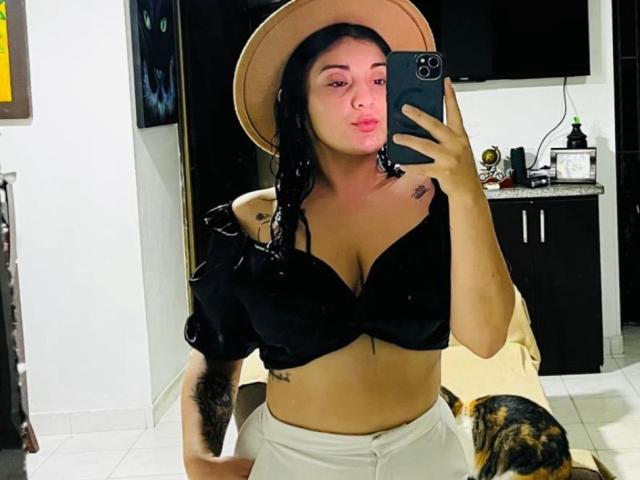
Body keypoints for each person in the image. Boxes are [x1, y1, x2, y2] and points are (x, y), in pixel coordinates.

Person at [180, 0, 515, 478]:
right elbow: (215, 355)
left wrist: (466, 191)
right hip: (294, 462)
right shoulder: (251, 222)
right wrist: (199, 460)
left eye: (380, 80)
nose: (365, 100)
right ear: (296, 99)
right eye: (338, 82)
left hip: (423, 457)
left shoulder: (439, 203)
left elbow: (486, 339)